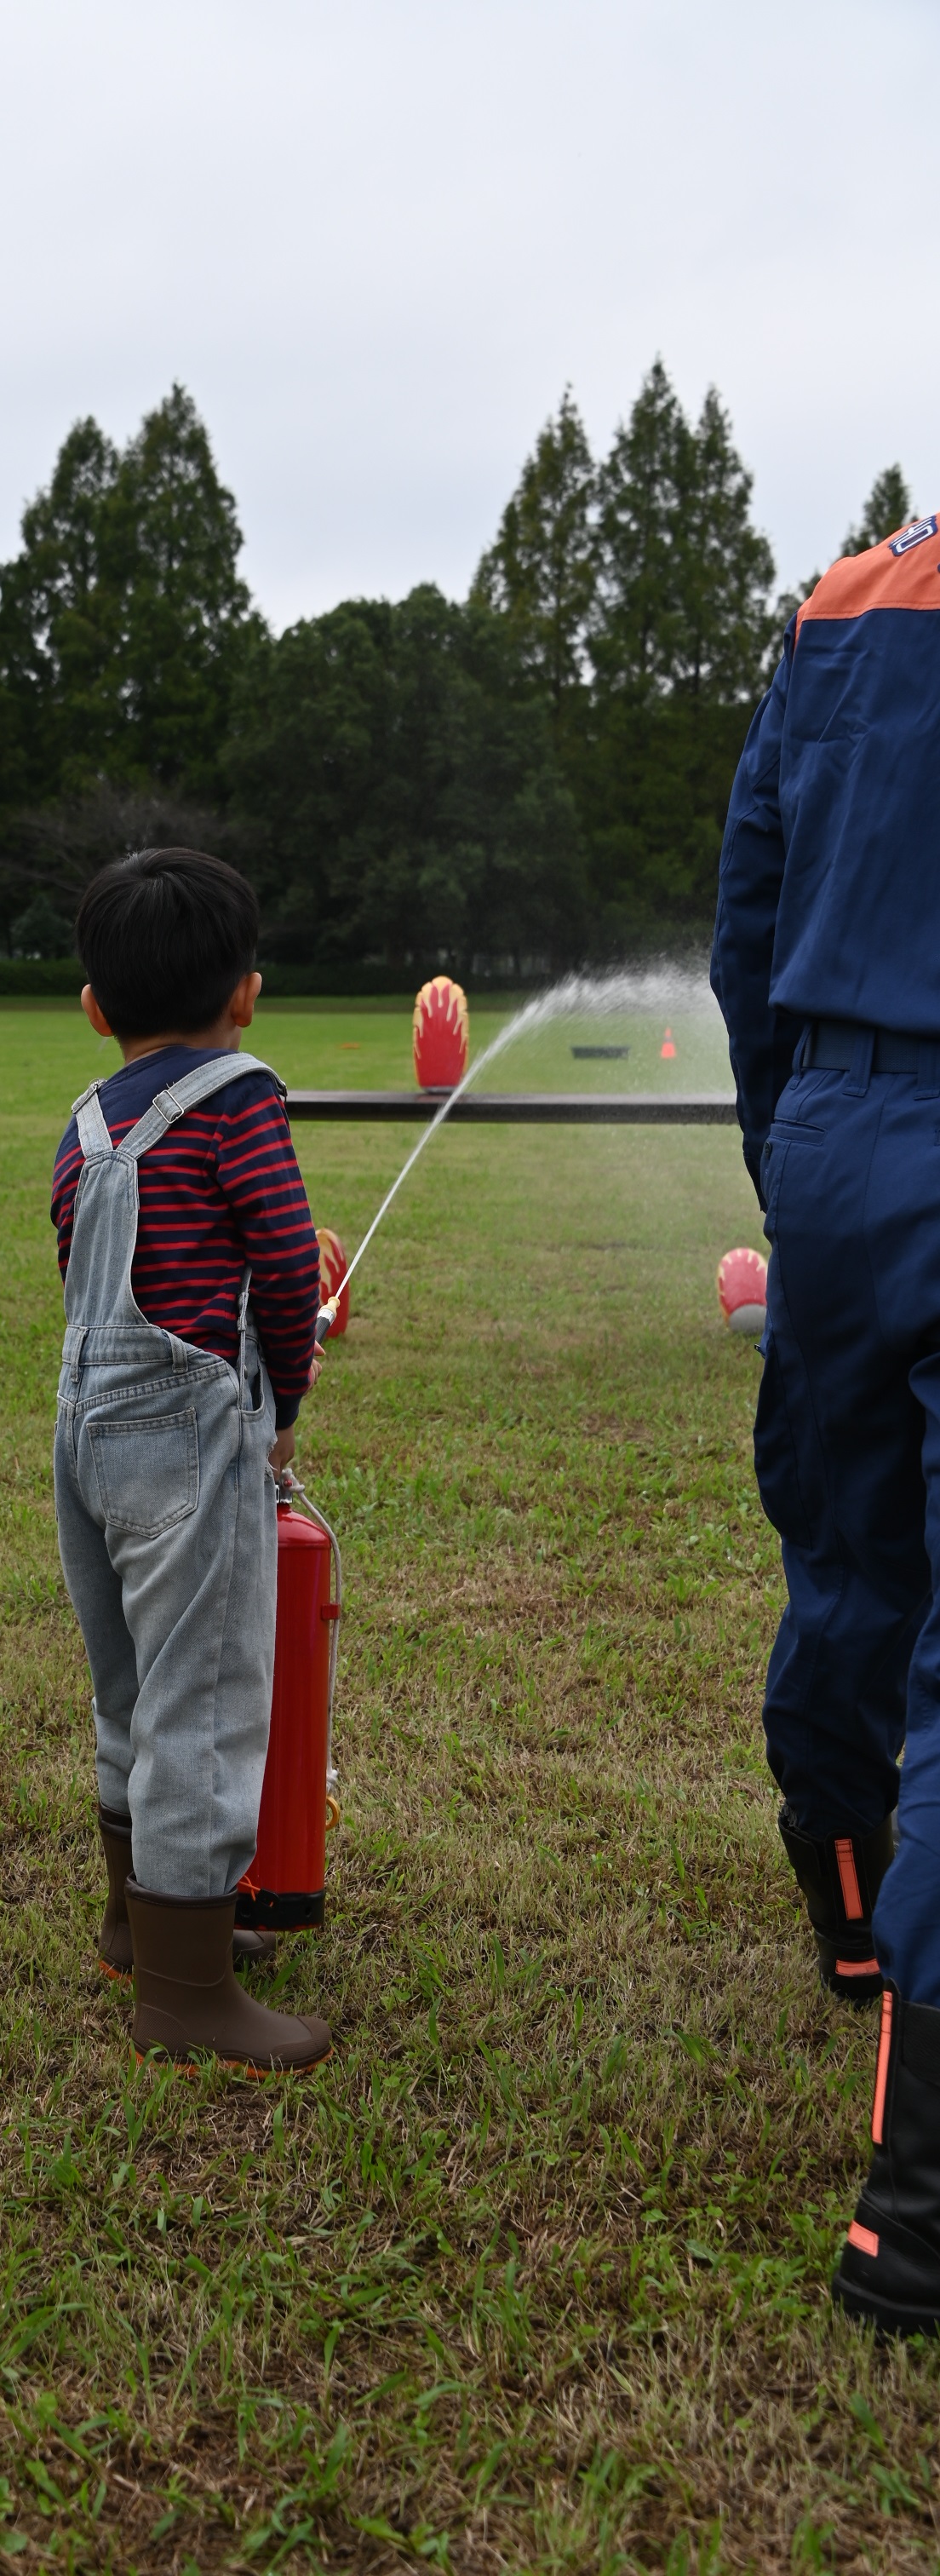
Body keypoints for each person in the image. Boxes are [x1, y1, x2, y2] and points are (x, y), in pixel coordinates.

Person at [713, 503, 940, 2335]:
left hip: (844, 1135)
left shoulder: (848, 599)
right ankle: (921, 2206)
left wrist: (800, 1149)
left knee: (852, 1555)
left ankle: (853, 1903)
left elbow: (750, 906)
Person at [50, 848, 330, 2074]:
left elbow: (80, 1259)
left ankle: (136, 1922)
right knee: (204, 1703)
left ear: (95, 1011)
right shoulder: (238, 1098)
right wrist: (287, 1391)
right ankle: (187, 1991)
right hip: (188, 1441)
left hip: (86, 1434)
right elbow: (278, 1246)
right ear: (248, 996)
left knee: (129, 1691)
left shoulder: (87, 1119)